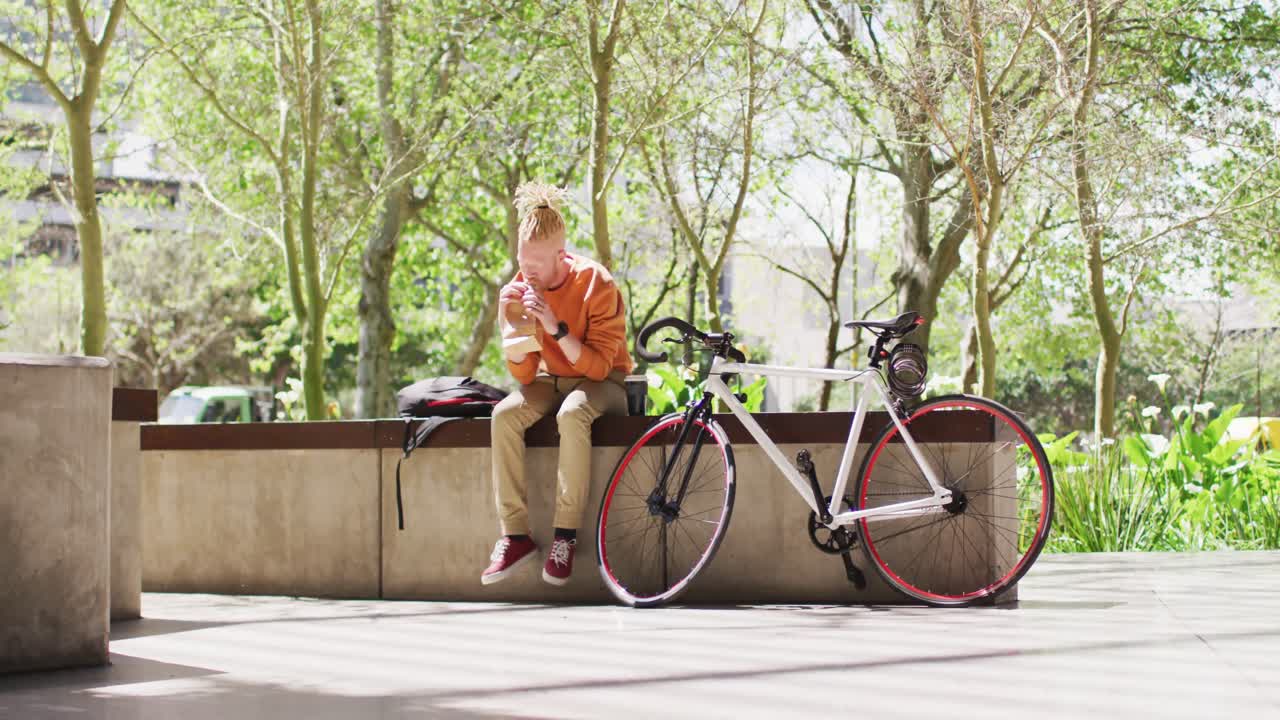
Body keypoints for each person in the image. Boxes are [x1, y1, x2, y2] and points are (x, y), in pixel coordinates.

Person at [481, 182, 633, 587]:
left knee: (572, 412)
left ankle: (565, 536)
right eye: (521, 262)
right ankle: (514, 535)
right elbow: (527, 376)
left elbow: (601, 367)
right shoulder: (522, 284)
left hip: (606, 381)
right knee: (504, 415)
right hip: (553, 378)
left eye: (536, 265)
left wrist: (554, 326)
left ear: (561, 256)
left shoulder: (596, 284)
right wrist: (509, 329)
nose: (526, 273)